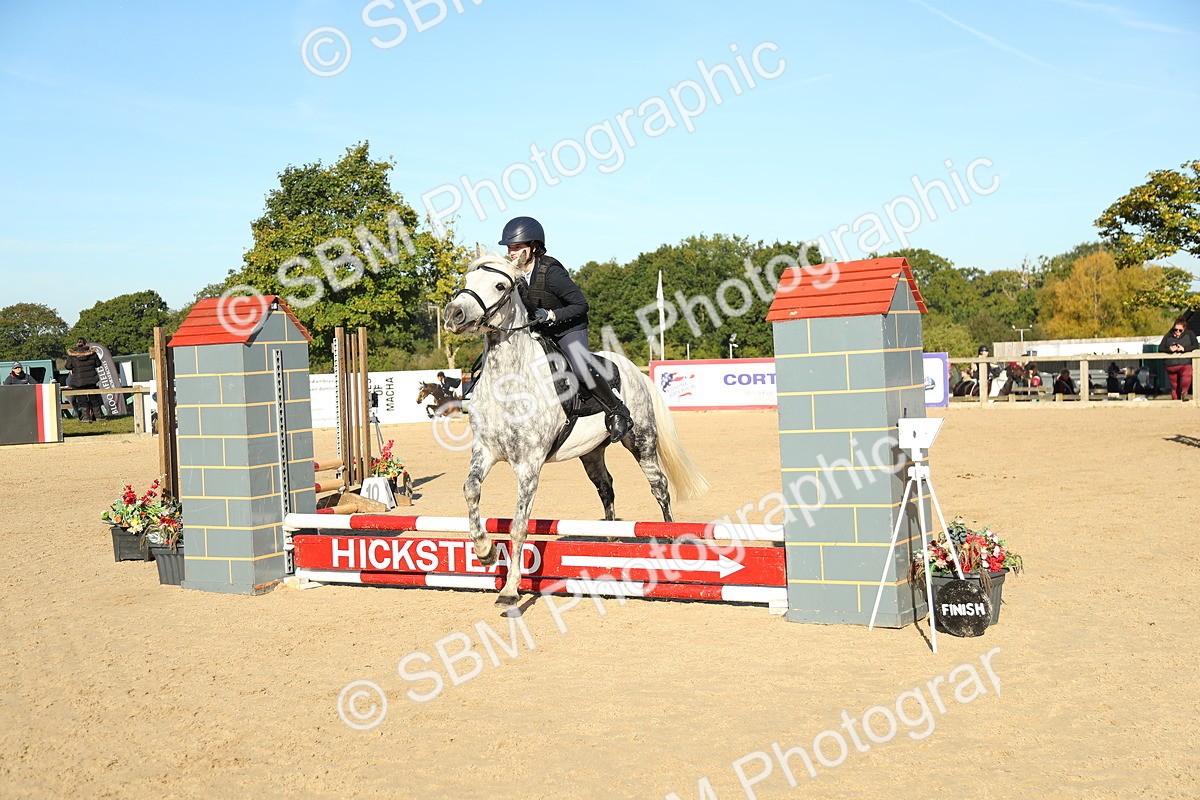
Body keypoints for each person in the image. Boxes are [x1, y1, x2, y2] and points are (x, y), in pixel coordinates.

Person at [500, 216, 632, 442]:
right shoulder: (515, 274)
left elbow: (581, 305)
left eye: (517, 247)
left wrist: (551, 315)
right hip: (541, 330)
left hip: (569, 328)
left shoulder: (552, 273)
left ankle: (617, 411)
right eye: (510, 248)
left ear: (533, 247)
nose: (512, 253)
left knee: (579, 365)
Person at [1158, 316, 1198, 401]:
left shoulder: (1189, 334)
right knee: (1174, 386)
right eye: (1175, 329)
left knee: (1187, 376)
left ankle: (1184, 393)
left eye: (1180, 330)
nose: (1177, 332)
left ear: (1184, 329)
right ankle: (1175, 403)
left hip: (1184, 362)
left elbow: (1196, 345)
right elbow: (1160, 348)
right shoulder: (1168, 335)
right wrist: (1169, 349)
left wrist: (1184, 349)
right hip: (1170, 365)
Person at [64, 338, 102, 422]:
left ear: (76, 344)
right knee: (94, 398)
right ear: (85, 344)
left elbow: (68, 366)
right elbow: (98, 364)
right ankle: (99, 417)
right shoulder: (93, 354)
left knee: (82, 400)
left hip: (78, 381)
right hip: (91, 380)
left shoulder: (72, 355)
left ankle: (86, 418)